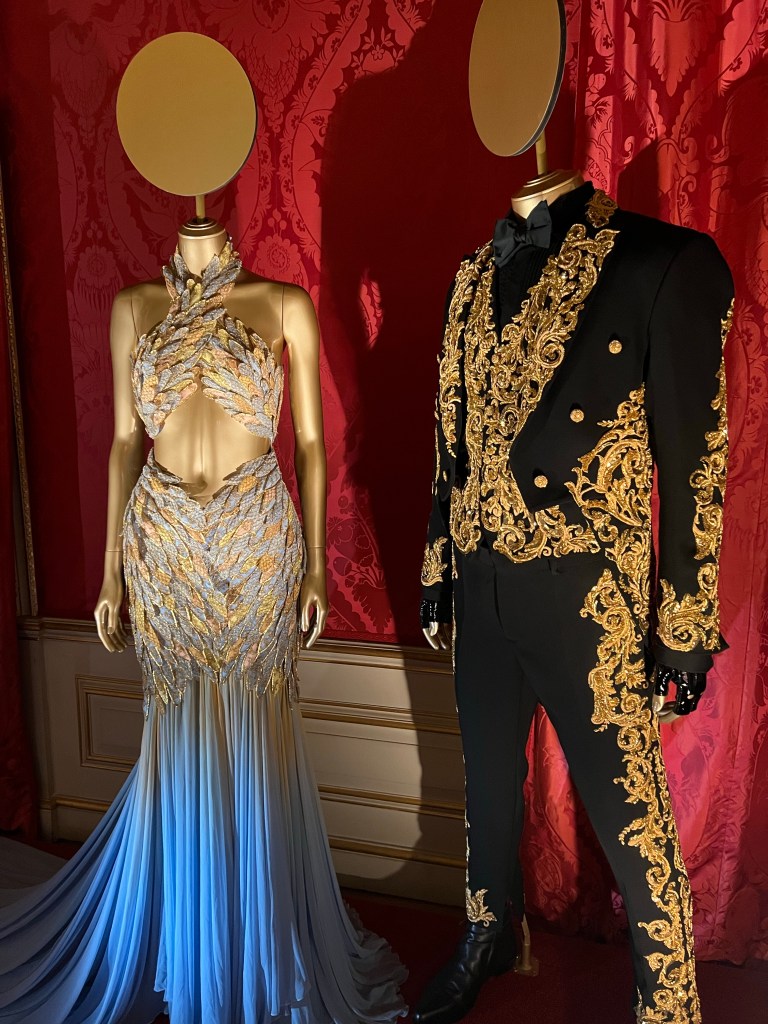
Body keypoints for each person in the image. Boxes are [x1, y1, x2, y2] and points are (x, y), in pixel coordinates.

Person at [0, 223, 406, 1024]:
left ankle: (256, 946)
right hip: (162, 545)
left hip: (257, 540)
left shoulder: (283, 304)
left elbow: (313, 444)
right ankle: (190, 946)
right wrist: (111, 570)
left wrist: (316, 566)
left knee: (257, 731)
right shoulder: (133, 307)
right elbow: (124, 441)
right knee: (177, 733)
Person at [415, 182, 732, 1024]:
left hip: (587, 597)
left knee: (631, 813)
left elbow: (696, 463)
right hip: (480, 583)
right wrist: (440, 564)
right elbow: (451, 436)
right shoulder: (471, 276)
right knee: (487, 784)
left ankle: (669, 1003)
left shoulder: (661, 262)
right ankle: (489, 933)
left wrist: (684, 628)